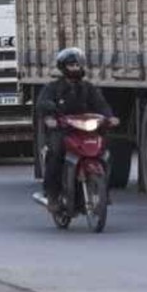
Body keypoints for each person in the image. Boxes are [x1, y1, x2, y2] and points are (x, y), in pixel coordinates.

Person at [36, 48, 117, 211]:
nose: (75, 68)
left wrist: (110, 117)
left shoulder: (88, 88)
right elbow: (42, 103)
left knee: (105, 153)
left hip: (86, 130)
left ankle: (104, 192)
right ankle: (53, 195)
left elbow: (101, 105)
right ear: (63, 67)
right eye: (72, 65)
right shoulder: (53, 88)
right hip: (64, 130)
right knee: (56, 153)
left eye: (78, 65)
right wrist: (51, 117)